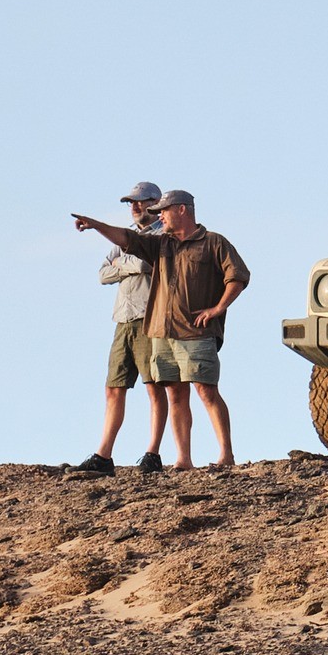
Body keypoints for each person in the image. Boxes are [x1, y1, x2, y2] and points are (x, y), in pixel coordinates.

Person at [72, 189, 248, 469]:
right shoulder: (161, 245)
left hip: (197, 331)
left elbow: (237, 276)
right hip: (162, 333)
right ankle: (183, 459)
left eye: (164, 211)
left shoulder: (213, 242)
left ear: (182, 210)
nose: (160, 216)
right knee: (175, 394)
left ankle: (226, 455)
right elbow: (126, 238)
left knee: (206, 391)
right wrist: (96, 225)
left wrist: (217, 309)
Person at [82, 181, 169, 474]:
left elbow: (148, 265)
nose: (134, 207)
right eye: (131, 202)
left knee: (154, 387)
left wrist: (124, 263)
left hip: (149, 318)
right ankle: (104, 455)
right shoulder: (124, 238)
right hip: (123, 318)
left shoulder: (163, 233)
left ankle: (152, 453)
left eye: (140, 201)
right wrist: (128, 264)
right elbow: (102, 274)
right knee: (114, 388)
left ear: (155, 203)